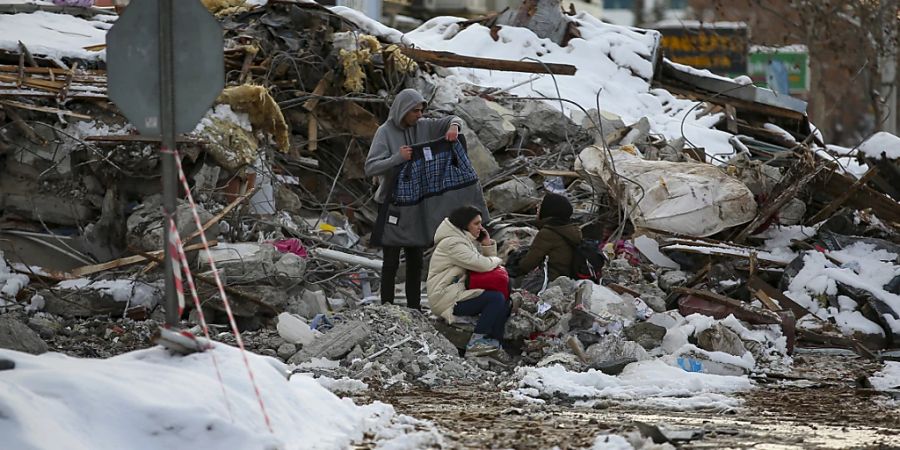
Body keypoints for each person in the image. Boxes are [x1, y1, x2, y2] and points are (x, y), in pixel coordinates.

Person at [365, 88, 463, 310]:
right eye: (415, 111)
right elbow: (370, 167)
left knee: (415, 259)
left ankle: (414, 308)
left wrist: (454, 128)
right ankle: (387, 307)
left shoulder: (423, 127)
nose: (419, 115)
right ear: (403, 111)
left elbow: (452, 119)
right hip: (393, 203)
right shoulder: (385, 132)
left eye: (421, 110)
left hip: (417, 203)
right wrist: (397, 158)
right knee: (390, 260)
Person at [427, 206, 511, 358]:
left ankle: (495, 343)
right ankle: (476, 342)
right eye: (476, 224)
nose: (481, 227)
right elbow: (483, 265)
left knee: (504, 298)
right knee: (495, 298)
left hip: (456, 293)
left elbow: (484, 266)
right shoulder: (453, 244)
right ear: (464, 224)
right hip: (445, 298)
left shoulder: (463, 240)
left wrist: (486, 243)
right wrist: (498, 260)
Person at [516, 193, 582, 281]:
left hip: (550, 279)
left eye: (541, 206)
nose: (538, 209)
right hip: (567, 277)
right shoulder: (571, 228)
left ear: (549, 210)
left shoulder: (548, 233)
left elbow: (527, 265)